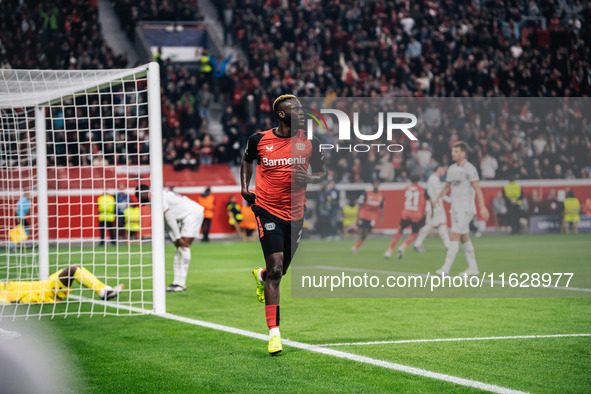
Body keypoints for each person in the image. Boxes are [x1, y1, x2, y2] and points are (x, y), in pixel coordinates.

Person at [242, 94, 325, 355]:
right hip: (266, 210)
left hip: (296, 214)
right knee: (276, 269)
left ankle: (262, 275)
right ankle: (274, 334)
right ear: (281, 114)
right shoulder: (259, 140)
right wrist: (245, 187)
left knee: (280, 270)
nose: (301, 112)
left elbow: (322, 171)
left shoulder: (310, 142)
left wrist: (310, 178)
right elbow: (247, 160)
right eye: (296, 108)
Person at [432, 141, 490, 276]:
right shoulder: (452, 169)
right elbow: (447, 187)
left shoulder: (470, 169)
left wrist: (482, 207)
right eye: (452, 151)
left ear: (463, 153)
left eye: (456, 151)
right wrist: (437, 198)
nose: (453, 153)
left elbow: (477, 188)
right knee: (465, 238)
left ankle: (445, 269)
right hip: (455, 209)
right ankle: (473, 268)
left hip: (466, 209)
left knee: (454, 235)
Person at [136, 185, 204, 292]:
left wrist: (177, 238)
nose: (139, 201)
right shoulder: (155, 197)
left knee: (183, 246)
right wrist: (175, 238)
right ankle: (177, 283)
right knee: (179, 247)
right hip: (185, 216)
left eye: (138, 197)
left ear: (142, 193)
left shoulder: (157, 197)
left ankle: (180, 284)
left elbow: (169, 217)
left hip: (192, 214)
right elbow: (166, 219)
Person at [0, 265, 123, 304]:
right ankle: (104, 292)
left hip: (43, 284)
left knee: (76, 268)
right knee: (73, 270)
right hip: (43, 293)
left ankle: (104, 290)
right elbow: (9, 302)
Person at [384, 174, 430, 259]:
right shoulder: (422, 190)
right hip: (416, 215)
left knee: (399, 231)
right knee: (414, 233)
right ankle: (403, 246)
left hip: (406, 213)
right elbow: (429, 199)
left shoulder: (407, 188)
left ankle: (389, 251)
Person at [413, 165, 451, 252]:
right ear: (439, 169)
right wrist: (450, 200)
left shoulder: (434, 179)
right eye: (443, 170)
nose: (444, 172)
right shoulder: (434, 179)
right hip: (434, 206)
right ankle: (417, 244)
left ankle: (449, 246)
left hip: (436, 206)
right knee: (430, 226)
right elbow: (439, 193)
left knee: (442, 225)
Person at [351, 181, 384, 254]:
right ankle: (353, 232)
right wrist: (358, 216)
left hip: (372, 217)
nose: (376, 186)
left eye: (377, 184)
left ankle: (353, 232)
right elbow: (359, 204)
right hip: (364, 215)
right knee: (362, 231)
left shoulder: (381, 195)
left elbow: (381, 207)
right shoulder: (366, 193)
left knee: (366, 233)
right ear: (373, 185)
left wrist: (381, 217)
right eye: (375, 184)